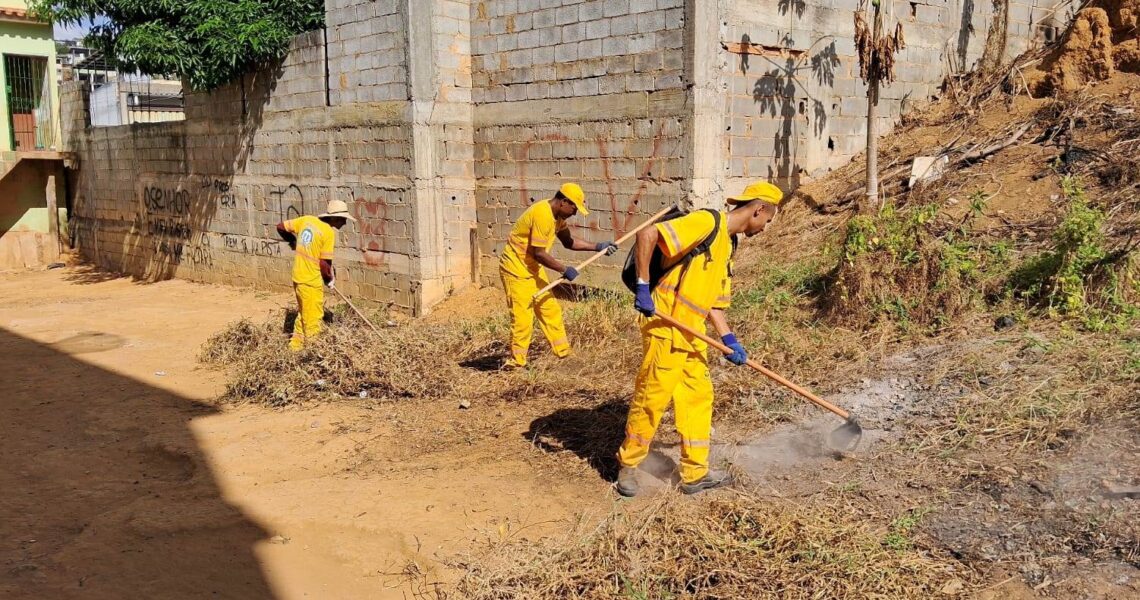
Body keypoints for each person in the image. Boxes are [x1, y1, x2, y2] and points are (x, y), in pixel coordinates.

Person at [616, 181, 783, 497]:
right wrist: (642, 286)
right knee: (653, 397)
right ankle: (629, 464)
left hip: (692, 334)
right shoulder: (708, 222)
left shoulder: (729, 244)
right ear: (759, 210)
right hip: (665, 326)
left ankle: (694, 474)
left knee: (698, 398)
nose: (766, 227)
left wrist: (730, 339)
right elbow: (647, 235)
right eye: (768, 220)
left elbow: (713, 304)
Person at [499, 183, 618, 368]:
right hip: (515, 269)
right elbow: (539, 253)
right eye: (574, 208)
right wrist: (564, 269)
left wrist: (598, 247)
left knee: (550, 309)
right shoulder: (542, 215)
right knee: (523, 317)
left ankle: (563, 354)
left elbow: (569, 242)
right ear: (564, 202)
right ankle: (516, 363)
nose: (575, 213)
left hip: (531, 269)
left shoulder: (557, 218)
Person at [276, 200, 356, 351]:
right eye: (342, 219)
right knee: (313, 320)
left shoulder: (307, 220)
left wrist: (292, 241)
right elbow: (324, 264)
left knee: (303, 315)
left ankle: (295, 348)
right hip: (311, 282)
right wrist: (329, 279)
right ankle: (312, 354)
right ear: (334, 218)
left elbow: (280, 227)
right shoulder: (327, 232)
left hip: (298, 277)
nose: (344, 223)